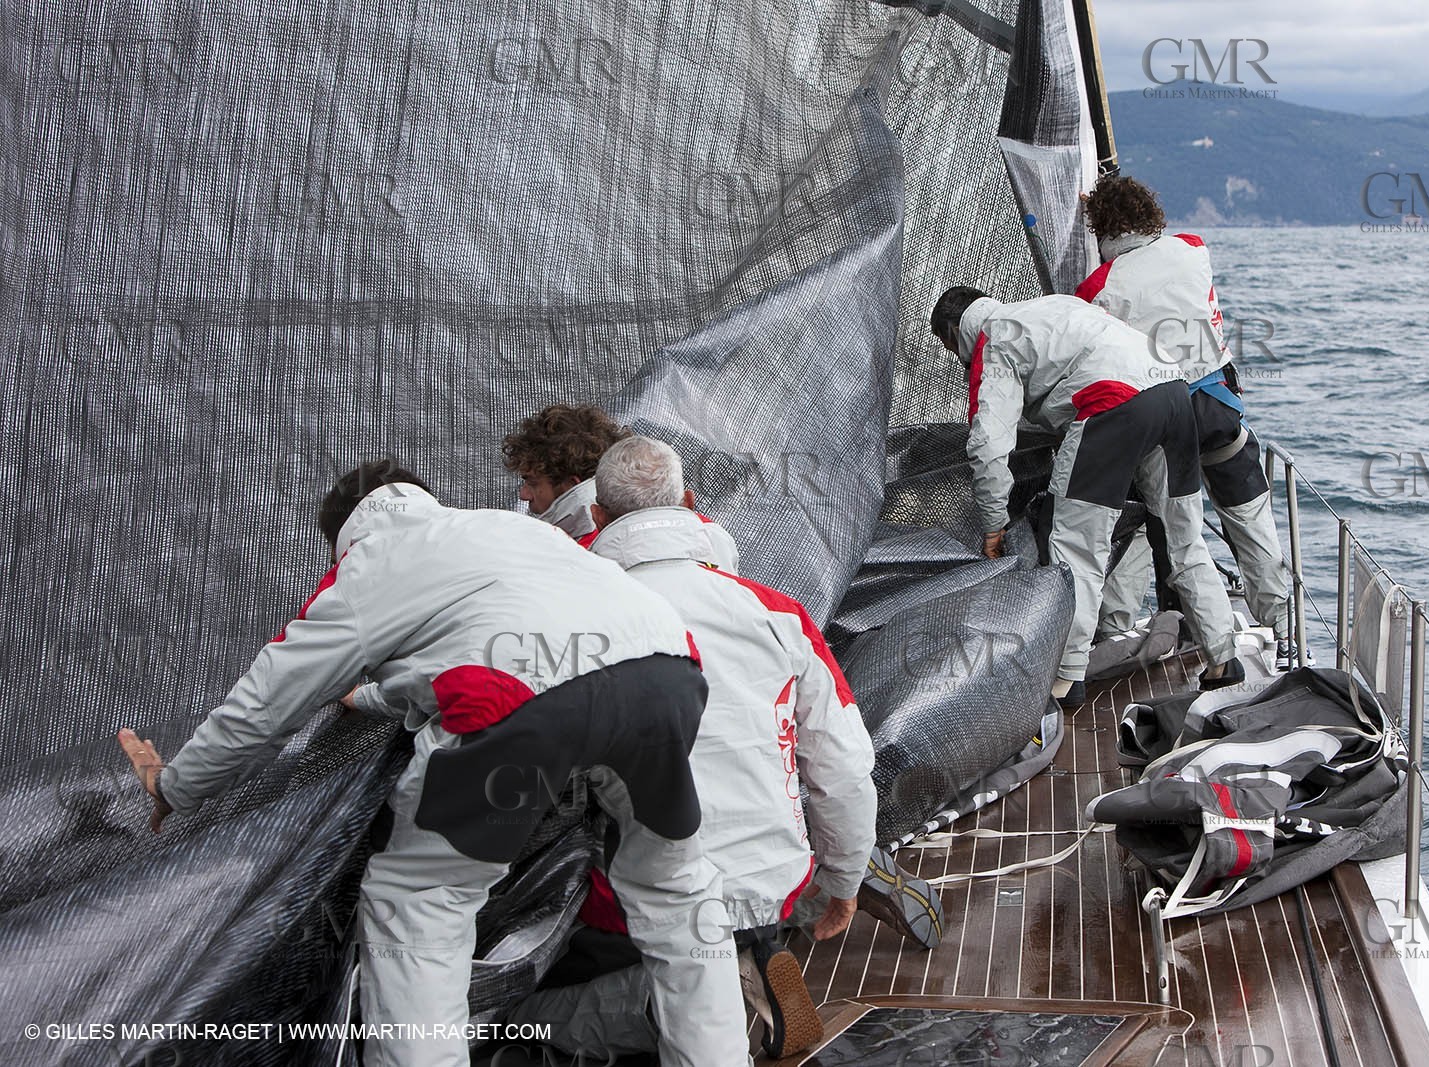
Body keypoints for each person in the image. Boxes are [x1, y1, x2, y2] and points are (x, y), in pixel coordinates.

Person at [117, 460, 749, 1067]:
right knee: (677, 888)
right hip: (666, 672)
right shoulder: (505, 529)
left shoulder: (368, 565)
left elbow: (268, 701)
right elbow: (490, 636)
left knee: (421, 902)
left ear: (343, 539)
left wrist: (175, 785)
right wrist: (369, 697)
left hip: (525, 702)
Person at [508, 436, 942, 1062]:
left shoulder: (571, 619)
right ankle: (751, 951)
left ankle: (689, 998)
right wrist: (844, 880)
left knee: (525, 1017)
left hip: (639, 904)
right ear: (689, 503)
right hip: (774, 885)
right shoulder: (776, 612)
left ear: (597, 516)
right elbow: (844, 766)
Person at [929, 287, 1244, 709]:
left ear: (955, 333)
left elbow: (988, 445)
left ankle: (1067, 678)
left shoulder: (995, 339)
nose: (956, 358)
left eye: (949, 348)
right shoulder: (1052, 306)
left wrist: (993, 524)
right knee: (1184, 539)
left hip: (1113, 403)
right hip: (1173, 392)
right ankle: (1224, 658)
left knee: (1077, 549)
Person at [1076, 176, 1306, 671]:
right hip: (1219, 406)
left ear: (1102, 228)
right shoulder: (1192, 248)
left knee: (1154, 523)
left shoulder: (1098, 288)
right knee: (1250, 516)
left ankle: (1114, 628)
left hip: (1162, 419)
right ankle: (1284, 630)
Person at [502, 402, 740, 571]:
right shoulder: (710, 533)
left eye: (531, 482)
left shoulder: (578, 560)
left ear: (571, 485)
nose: (523, 494)